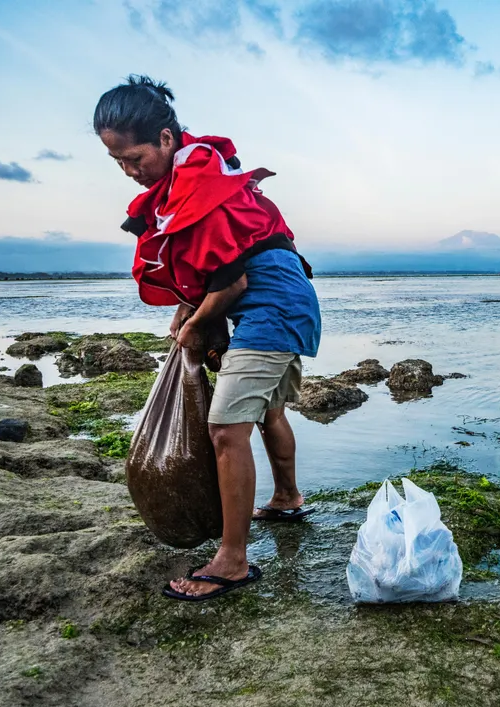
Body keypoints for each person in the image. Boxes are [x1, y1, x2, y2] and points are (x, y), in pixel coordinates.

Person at [94, 75, 321, 601]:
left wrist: (196, 323)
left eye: (136, 158)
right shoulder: (191, 184)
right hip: (283, 297)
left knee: (224, 428)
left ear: (168, 139)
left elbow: (233, 280)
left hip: (275, 302)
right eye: (119, 163)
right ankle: (287, 498)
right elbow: (212, 270)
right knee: (265, 410)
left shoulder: (199, 185)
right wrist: (187, 309)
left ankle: (234, 561)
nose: (131, 172)